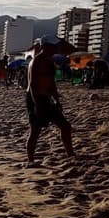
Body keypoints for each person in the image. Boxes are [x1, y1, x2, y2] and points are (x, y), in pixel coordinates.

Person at [26, 36, 77, 167]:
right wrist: (37, 104)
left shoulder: (49, 62)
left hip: (47, 98)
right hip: (36, 98)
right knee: (35, 131)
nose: (56, 48)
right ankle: (30, 161)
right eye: (53, 46)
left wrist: (56, 99)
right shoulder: (36, 61)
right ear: (45, 46)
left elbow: (52, 82)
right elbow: (32, 84)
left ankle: (71, 155)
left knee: (65, 126)